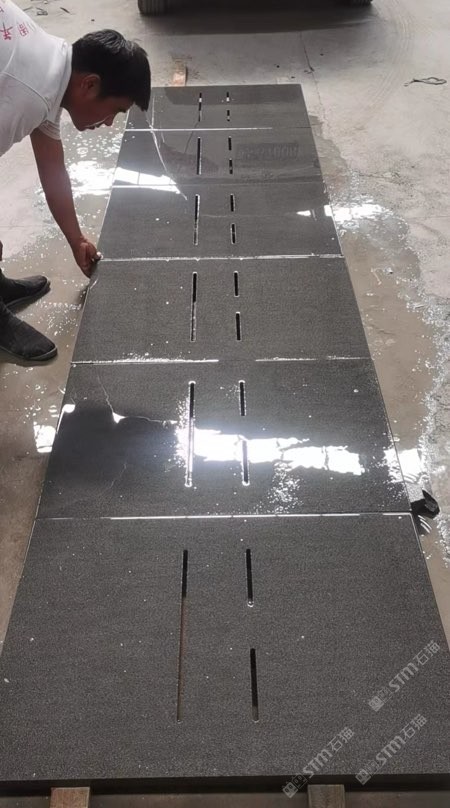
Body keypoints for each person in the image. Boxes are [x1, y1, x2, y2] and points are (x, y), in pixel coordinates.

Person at [0, 0, 151, 362]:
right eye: (115, 110)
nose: (110, 122)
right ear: (90, 84)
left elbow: (53, 168)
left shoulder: (52, 68)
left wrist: (76, 238)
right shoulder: (27, 95)